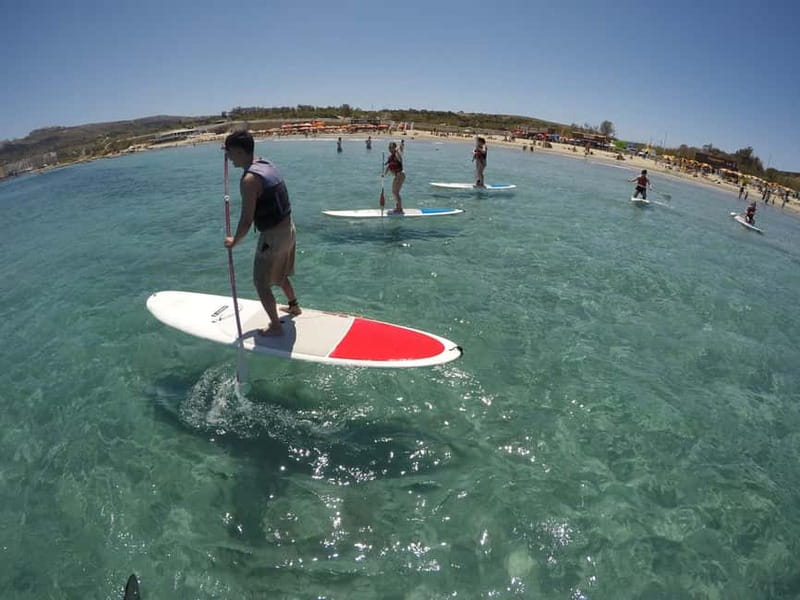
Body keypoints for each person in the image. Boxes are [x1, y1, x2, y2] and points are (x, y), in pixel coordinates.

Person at [223, 129, 301, 337]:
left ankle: (275, 326)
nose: (228, 157)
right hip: (289, 229)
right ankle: (294, 306)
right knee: (280, 274)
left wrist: (234, 241)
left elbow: (247, 221)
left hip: (274, 236)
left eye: (229, 152)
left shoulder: (249, 180)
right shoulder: (266, 163)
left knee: (261, 283)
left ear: (240, 151)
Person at [382, 141, 405, 214]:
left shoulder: (397, 155)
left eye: (391, 147)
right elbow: (389, 167)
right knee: (394, 192)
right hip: (396, 175)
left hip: (400, 175)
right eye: (389, 147)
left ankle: (400, 209)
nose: (389, 149)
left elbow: (400, 151)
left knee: (396, 192)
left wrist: (397, 148)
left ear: (394, 148)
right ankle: (398, 207)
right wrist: (384, 174)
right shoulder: (390, 157)